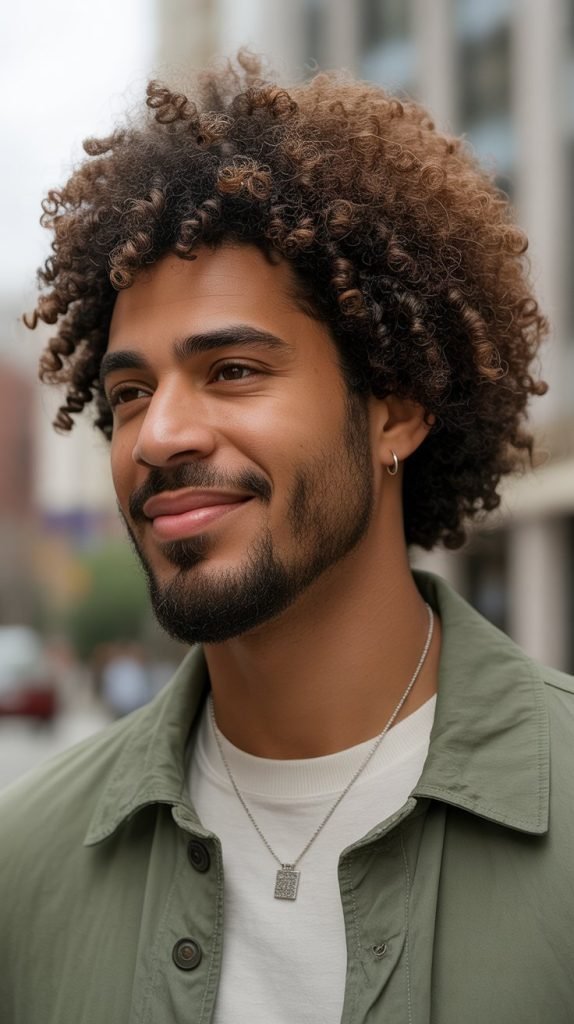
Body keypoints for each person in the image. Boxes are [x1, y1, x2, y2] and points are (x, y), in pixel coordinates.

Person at [1, 52, 573, 1024]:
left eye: (232, 370)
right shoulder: (24, 868)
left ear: (396, 410)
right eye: (129, 392)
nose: (158, 435)